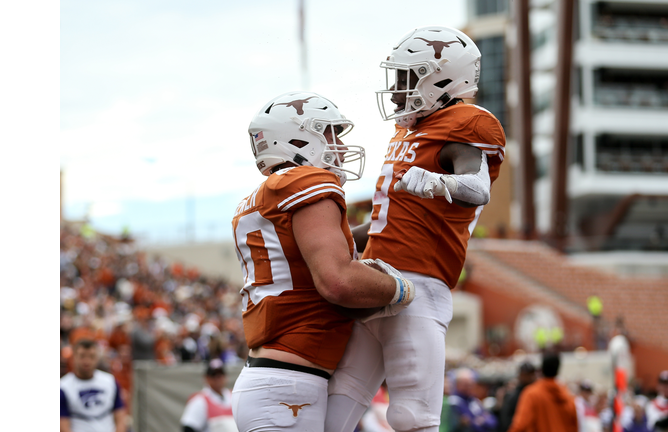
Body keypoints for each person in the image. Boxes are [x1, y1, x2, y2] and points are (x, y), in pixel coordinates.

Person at [326, 25, 506, 432]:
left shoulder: (466, 124)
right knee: (337, 406)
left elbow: (477, 188)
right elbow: (382, 219)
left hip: (419, 285)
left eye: (408, 78)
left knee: (413, 417)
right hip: (374, 282)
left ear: (444, 78)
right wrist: (330, 242)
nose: (397, 90)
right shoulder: (407, 131)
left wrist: (438, 182)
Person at [230, 91, 416, 432]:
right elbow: (338, 281)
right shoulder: (306, 181)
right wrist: (400, 288)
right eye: (330, 133)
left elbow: (325, 244)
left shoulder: (263, 195)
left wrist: (394, 223)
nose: (340, 146)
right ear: (297, 137)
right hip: (288, 387)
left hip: (276, 379)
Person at [60, 339, 127, 432]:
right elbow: (63, 426)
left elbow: (120, 417)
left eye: (91, 356)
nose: (87, 361)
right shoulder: (63, 387)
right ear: (74, 357)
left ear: (97, 358)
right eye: (82, 356)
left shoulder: (110, 381)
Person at [508, 351, 578, 432]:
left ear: (542, 369)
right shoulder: (568, 396)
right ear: (558, 370)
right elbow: (574, 426)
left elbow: (520, 425)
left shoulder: (532, 394)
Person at [180, 359, 237, 432]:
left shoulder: (233, 396)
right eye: (214, 375)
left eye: (221, 375)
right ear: (207, 378)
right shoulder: (200, 401)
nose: (218, 378)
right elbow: (189, 427)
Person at [448, 368, 498, 432]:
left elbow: (493, 422)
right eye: (466, 385)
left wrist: (481, 421)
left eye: (471, 384)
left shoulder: (473, 400)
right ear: (458, 384)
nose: (470, 387)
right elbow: (470, 427)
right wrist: (480, 420)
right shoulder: (454, 402)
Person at [497, 362, 536, 432]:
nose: (528, 377)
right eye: (525, 374)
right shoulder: (513, 396)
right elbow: (506, 420)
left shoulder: (537, 392)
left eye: (530, 374)